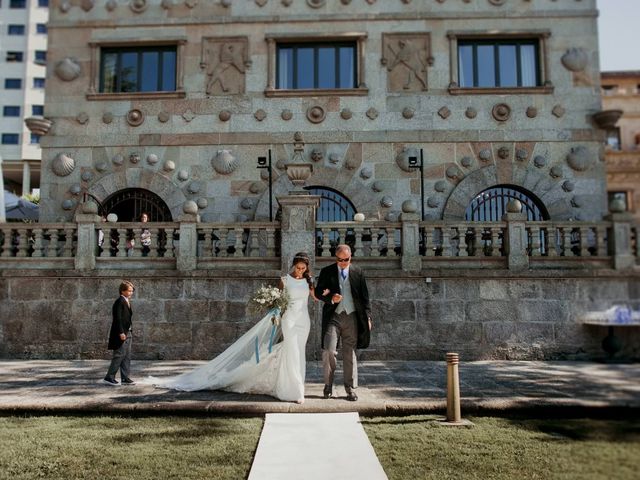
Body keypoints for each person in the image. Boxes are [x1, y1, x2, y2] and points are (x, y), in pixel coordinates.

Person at [146, 252, 315, 403]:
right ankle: (295, 390)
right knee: (291, 351)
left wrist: (329, 296)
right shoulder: (284, 280)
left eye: (303, 268)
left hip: (303, 321)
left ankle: (296, 386)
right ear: (294, 265)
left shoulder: (309, 281)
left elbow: (316, 297)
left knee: (299, 353)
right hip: (289, 320)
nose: (300, 271)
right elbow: (277, 301)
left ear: (307, 268)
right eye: (298, 267)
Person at [314, 244, 372, 402]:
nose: (343, 262)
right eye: (340, 260)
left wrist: (367, 317)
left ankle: (350, 389)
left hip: (352, 317)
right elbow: (318, 292)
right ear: (336, 258)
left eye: (346, 260)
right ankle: (328, 385)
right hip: (333, 316)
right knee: (329, 350)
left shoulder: (358, 272)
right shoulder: (327, 271)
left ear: (350, 257)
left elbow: (365, 297)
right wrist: (331, 298)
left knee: (350, 353)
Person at [104, 281, 136, 386]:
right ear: (123, 291)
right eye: (129, 291)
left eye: (132, 291)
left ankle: (125, 377)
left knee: (127, 356)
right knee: (119, 355)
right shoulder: (120, 301)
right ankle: (109, 376)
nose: (131, 293)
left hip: (128, 332)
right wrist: (121, 332)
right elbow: (118, 319)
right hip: (122, 333)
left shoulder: (126, 301)